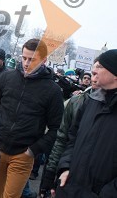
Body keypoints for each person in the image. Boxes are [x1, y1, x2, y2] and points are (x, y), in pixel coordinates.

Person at [0, 39, 64, 198]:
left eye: (32, 59)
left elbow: (56, 128)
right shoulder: (6, 78)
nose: (26, 63)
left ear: (44, 60)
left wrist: (33, 150)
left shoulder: (53, 90)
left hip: (23, 155)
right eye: (24, 58)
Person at [56, 50, 117, 197]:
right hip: (69, 188)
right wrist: (65, 168)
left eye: (100, 66)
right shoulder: (90, 101)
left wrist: (107, 193)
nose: (94, 70)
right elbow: (72, 138)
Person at [39, 60, 99, 197]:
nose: (95, 78)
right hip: (66, 171)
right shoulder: (76, 102)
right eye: (93, 73)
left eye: (98, 73)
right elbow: (62, 139)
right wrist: (49, 174)